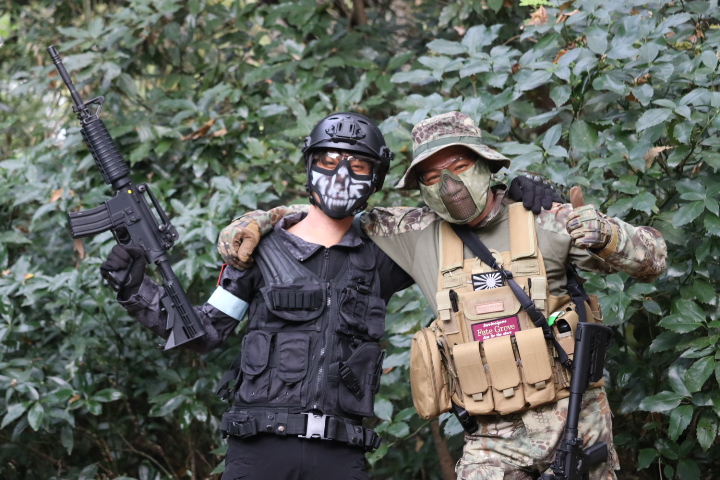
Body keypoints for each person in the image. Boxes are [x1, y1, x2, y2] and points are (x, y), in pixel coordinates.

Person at [216, 111, 667, 479]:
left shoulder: (544, 218)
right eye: (431, 176)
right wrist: (258, 220)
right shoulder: (415, 230)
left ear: (486, 163)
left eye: (460, 167)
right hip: (492, 439)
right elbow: (330, 208)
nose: (448, 185)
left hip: (575, 422)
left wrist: (605, 233)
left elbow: (654, 259)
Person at [99, 112, 418, 480]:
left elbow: (449, 229)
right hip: (259, 448)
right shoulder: (259, 249)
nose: (341, 176)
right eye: (329, 161)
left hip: (341, 454)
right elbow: (204, 332)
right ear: (310, 165)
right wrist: (134, 288)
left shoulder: (383, 258)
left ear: (376, 177)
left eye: (358, 165)